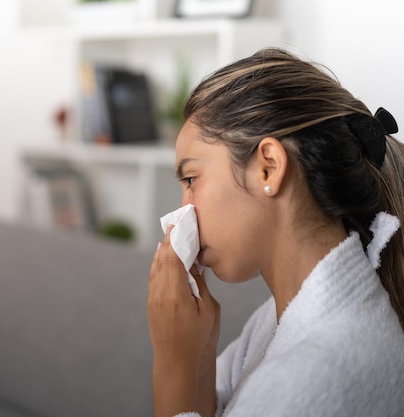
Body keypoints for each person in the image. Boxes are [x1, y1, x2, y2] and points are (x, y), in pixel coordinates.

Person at [147, 47, 404, 417]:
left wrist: (172, 365)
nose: (178, 217)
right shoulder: (275, 319)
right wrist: (198, 357)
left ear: (268, 168)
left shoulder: (313, 382)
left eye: (191, 179)